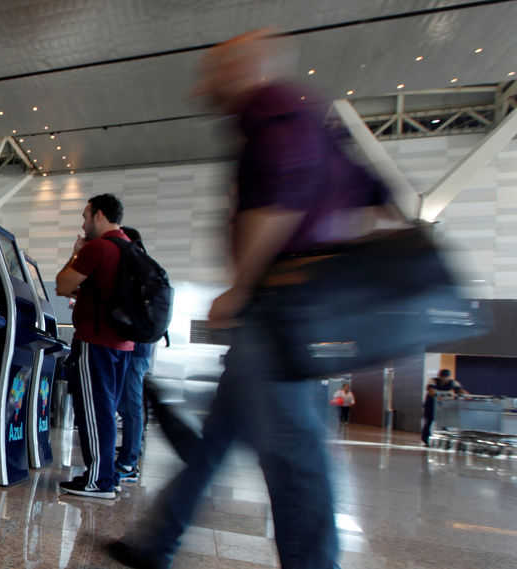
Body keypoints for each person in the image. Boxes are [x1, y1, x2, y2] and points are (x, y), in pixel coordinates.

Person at [108, 29, 390, 569]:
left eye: (214, 71)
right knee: (216, 441)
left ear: (246, 66)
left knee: (294, 460)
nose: (204, 87)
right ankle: (157, 542)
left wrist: (243, 286)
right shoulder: (315, 119)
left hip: (277, 309)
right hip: (294, 307)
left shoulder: (272, 108)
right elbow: (378, 199)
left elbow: (281, 194)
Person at [56, 193, 134, 499]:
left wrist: (76, 253)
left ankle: (99, 480)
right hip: (123, 345)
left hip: (96, 341)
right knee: (105, 410)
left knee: (94, 411)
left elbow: (61, 284)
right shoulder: (127, 245)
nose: (84, 223)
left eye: (86, 217)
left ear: (100, 215)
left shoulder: (99, 247)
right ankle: (106, 476)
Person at [115, 226, 154, 483]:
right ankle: (130, 452)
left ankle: (129, 463)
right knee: (126, 404)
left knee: (130, 406)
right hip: (137, 346)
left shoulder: (136, 268)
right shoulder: (142, 266)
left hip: (136, 347)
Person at [422, 369, 466, 445]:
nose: (444, 379)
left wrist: (466, 396)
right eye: (443, 377)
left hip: (443, 405)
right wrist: (437, 395)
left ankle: (445, 440)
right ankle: (426, 439)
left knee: (443, 423)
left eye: (446, 377)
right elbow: (431, 390)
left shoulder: (452, 382)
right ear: (439, 376)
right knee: (429, 421)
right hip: (431, 404)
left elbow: (460, 390)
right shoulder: (433, 380)